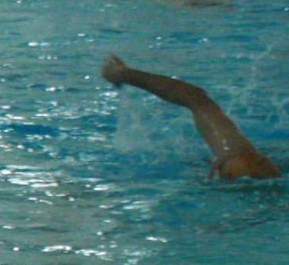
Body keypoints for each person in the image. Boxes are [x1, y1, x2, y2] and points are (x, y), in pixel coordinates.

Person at [102, 54, 281, 180]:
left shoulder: (238, 159)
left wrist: (122, 73)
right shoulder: (240, 162)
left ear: (215, 171)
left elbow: (195, 99)